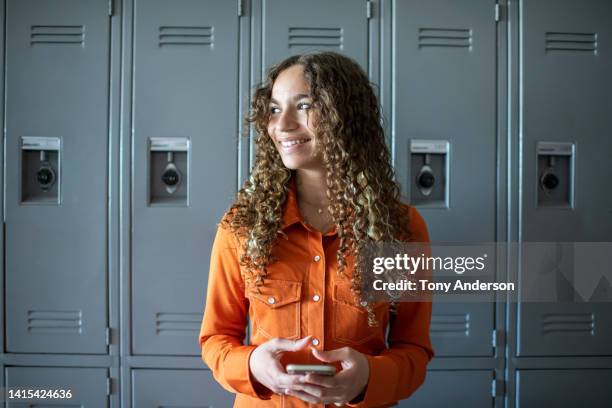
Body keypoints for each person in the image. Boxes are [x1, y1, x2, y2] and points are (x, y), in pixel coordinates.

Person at [199, 52, 434, 408]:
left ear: (346, 117)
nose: (282, 125)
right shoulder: (241, 226)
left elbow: (414, 351)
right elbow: (216, 339)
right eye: (275, 109)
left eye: (304, 105)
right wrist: (253, 365)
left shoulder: (402, 229)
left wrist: (370, 376)